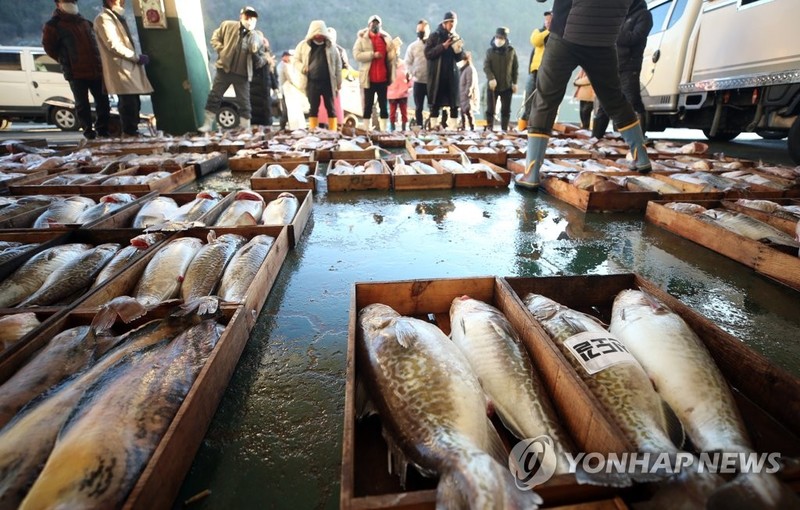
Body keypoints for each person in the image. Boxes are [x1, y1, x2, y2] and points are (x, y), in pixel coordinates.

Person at [517, 0, 652, 190]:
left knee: (545, 100)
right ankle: (642, 158)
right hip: (605, 40)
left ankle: (531, 173)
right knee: (614, 99)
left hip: (566, 35)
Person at [42, 0, 111, 139]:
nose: (71, 4)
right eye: (67, 1)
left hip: (95, 69)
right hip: (76, 72)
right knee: (82, 104)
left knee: (103, 102)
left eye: (72, 1)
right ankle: (88, 132)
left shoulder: (85, 23)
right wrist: (67, 61)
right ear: (58, 4)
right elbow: (49, 48)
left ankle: (103, 130)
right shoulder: (53, 26)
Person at [592, 0, 653, 138]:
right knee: (604, 103)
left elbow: (636, 37)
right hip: (612, 65)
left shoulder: (644, 15)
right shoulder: (620, 16)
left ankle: (638, 138)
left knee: (632, 101)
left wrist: (613, 33)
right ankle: (595, 138)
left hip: (630, 65)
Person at [94, 0, 152, 137]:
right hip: (120, 67)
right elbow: (113, 45)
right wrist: (135, 57)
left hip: (128, 66)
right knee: (127, 103)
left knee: (134, 101)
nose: (123, 2)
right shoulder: (103, 19)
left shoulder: (117, 17)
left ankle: (133, 131)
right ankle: (129, 132)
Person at [198, 6, 261, 132]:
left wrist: (254, 48)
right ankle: (207, 124)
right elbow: (215, 38)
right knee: (215, 96)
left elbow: (256, 48)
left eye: (252, 18)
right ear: (241, 17)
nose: (249, 20)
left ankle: (245, 128)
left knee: (244, 101)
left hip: (242, 74)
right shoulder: (227, 25)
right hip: (224, 70)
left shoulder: (254, 35)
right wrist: (221, 50)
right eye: (247, 17)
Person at [292, 20, 342, 131]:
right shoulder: (303, 46)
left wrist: (338, 83)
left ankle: (333, 131)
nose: (318, 35)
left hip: (328, 82)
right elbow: (295, 60)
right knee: (313, 108)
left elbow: (338, 65)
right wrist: (302, 68)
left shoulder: (331, 47)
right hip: (311, 82)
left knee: (331, 108)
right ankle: (313, 131)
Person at [353, 15, 396, 132]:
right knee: (368, 106)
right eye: (373, 23)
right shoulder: (362, 39)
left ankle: (384, 131)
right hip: (369, 78)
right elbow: (356, 55)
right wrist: (372, 54)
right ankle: (367, 130)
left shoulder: (385, 39)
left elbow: (391, 58)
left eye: (377, 23)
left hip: (383, 78)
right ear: (368, 25)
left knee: (383, 106)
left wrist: (393, 50)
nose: (375, 25)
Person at [425, 11, 464, 130]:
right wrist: (443, 47)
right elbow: (428, 54)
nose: (452, 25)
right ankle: (433, 127)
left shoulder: (455, 37)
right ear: (444, 23)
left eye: (454, 23)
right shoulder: (435, 36)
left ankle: (453, 128)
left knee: (454, 105)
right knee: (435, 104)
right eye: (450, 22)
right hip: (437, 75)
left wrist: (459, 51)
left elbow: (459, 59)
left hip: (451, 75)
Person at [519, 11, 551, 131]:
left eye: (550, 20)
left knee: (543, 101)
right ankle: (522, 127)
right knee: (528, 99)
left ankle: (538, 127)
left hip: (548, 72)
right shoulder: (539, 31)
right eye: (546, 20)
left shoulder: (557, 35)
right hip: (535, 71)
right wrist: (548, 31)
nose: (548, 22)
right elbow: (536, 41)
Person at [484, 27, 518, 131]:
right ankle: (489, 128)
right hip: (493, 86)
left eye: (501, 37)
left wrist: (514, 83)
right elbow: (486, 66)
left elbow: (515, 68)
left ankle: (504, 129)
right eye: (497, 37)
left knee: (506, 110)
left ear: (505, 38)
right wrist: (491, 78)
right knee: (490, 109)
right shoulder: (489, 52)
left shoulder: (511, 51)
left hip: (507, 86)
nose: (499, 39)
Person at [404, 19, 430, 129]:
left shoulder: (432, 45)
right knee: (418, 107)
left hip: (431, 82)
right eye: (419, 30)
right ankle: (419, 128)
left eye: (423, 30)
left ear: (428, 31)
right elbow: (407, 62)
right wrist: (413, 72)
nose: (421, 32)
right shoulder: (412, 46)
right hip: (418, 81)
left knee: (433, 107)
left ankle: (432, 127)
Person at [250, 31, 278, 128]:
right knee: (257, 117)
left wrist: (275, 87)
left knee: (266, 116)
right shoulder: (253, 54)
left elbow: (272, 73)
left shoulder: (267, 55)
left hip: (265, 91)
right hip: (255, 89)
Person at [387, 38, 411, 131]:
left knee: (404, 112)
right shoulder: (388, 64)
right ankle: (392, 129)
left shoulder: (403, 64)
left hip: (402, 92)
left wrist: (408, 86)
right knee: (392, 113)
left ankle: (404, 129)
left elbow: (409, 76)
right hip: (392, 93)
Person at [278, 50, 306, 130]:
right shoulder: (285, 66)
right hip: (287, 92)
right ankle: (284, 128)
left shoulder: (282, 65)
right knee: (288, 111)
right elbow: (291, 79)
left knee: (286, 111)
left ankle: (283, 127)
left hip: (286, 91)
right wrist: (300, 87)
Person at [458, 51, 479, 130]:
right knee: (463, 111)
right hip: (462, 94)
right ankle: (464, 126)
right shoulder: (463, 69)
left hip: (467, 94)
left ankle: (472, 127)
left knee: (468, 111)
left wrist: (468, 91)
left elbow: (470, 82)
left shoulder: (469, 69)